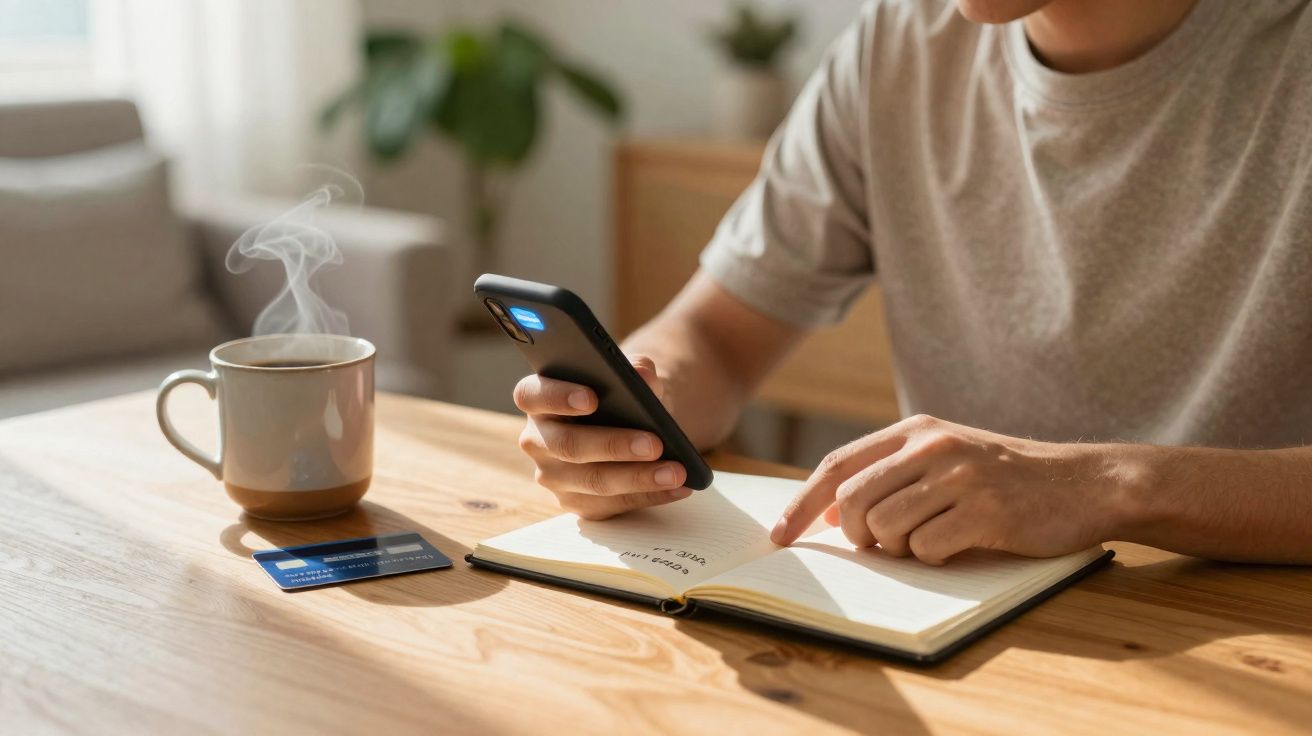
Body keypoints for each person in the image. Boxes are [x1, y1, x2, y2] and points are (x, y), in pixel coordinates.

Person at [512, 0, 1312, 565]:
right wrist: (633, 419)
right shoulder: (898, 41)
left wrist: (1107, 488)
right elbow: (714, 334)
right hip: (950, 612)